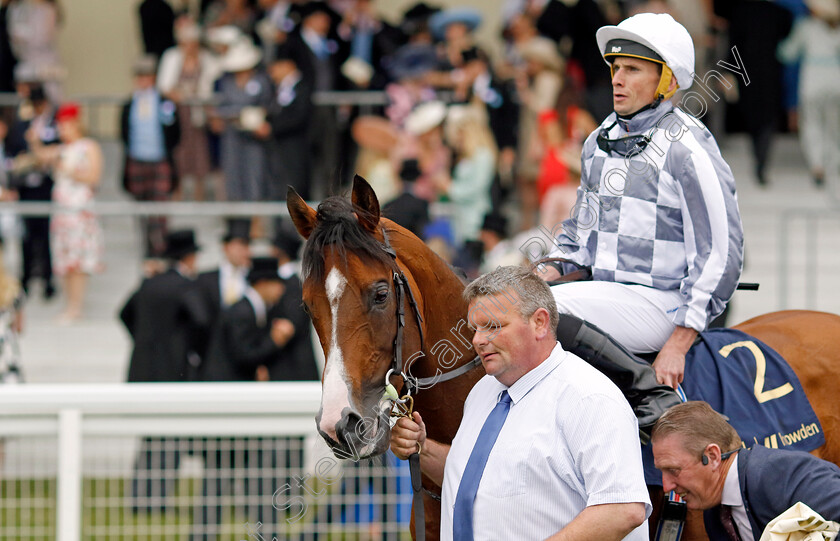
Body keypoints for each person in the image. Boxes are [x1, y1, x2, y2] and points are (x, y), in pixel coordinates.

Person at [538, 13, 744, 431]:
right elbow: (579, 236)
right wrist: (543, 270)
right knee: (516, 296)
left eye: (632, 69)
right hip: (610, 298)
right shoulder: (599, 142)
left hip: (665, 304)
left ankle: (648, 393)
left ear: (665, 80)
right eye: (615, 68)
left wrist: (680, 341)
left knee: (547, 308)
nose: (618, 79)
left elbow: (722, 254)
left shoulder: (688, 146)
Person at [391, 266, 650, 541]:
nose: (478, 340)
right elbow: (474, 484)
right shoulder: (483, 392)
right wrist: (421, 447)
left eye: (492, 326)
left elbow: (623, 507)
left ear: (539, 323)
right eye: (474, 328)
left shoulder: (590, 398)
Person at [651, 401, 840, 540]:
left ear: (713, 456)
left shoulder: (788, 475)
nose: (666, 486)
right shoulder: (714, 514)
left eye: (673, 470)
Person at [28, 101, 104, 323]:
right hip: (62, 211)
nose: (62, 129)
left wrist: (70, 171)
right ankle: (69, 304)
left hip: (80, 210)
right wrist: (34, 139)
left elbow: (94, 177)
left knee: (79, 260)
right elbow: (40, 155)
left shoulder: (88, 146)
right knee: (64, 258)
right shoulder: (62, 149)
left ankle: (76, 307)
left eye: (65, 125)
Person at [121, 55, 181, 267]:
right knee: (141, 206)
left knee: (160, 206)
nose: (143, 80)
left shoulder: (164, 102)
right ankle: (147, 245)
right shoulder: (130, 104)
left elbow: (175, 130)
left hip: (159, 159)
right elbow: (124, 133)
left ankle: (161, 246)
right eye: (139, 76)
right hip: (138, 159)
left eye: (146, 76)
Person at [777, 0, 840, 188]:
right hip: (836, 83)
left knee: (812, 123)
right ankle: (834, 163)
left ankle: (817, 165)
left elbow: (787, 53)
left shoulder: (806, 27)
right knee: (834, 125)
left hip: (812, 82)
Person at [157, 16, 221, 201]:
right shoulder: (171, 57)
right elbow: (164, 86)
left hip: (200, 112)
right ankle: (178, 189)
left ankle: (199, 191)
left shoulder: (207, 58)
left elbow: (212, 82)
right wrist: (183, 96)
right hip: (177, 113)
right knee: (179, 151)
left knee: (200, 151)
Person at [192, 218, 251, 363]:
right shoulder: (205, 279)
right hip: (212, 356)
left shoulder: (254, 279)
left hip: (244, 354)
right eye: (238, 245)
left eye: (246, 246)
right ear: (226, 247)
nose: (243, 251)